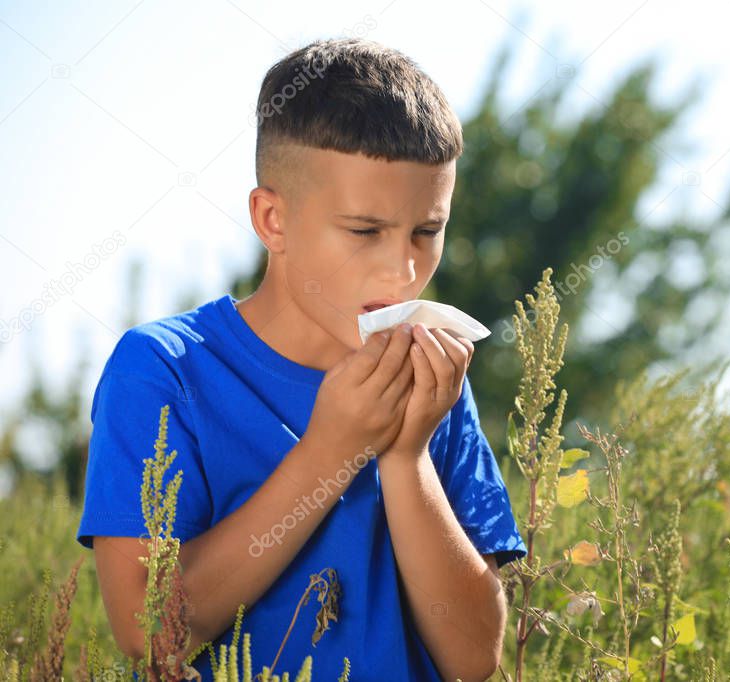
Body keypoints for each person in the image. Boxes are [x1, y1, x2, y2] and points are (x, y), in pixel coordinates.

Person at [75, 36, 527, 681]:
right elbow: (152, 635)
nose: (403, 271)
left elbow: (474, 659)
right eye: (364, 231)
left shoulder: (431, 381)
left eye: (427, 232)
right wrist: (331, 452)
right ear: (272, 220)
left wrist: (405, 455)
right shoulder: (166, 369)